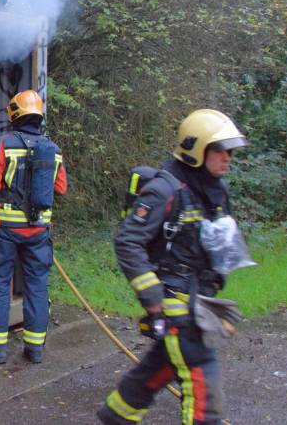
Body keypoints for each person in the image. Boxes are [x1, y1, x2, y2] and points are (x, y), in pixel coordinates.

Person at [97, 109, 248, 425]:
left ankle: (116, 416)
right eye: (221, 150)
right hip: (176, 307)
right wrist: (153, 299)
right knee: (203, 389)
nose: (228, 158)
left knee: (157, 370)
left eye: (231, 151)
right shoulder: (165, 190)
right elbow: (128, 242)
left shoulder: (213, 192)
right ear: (197, 150)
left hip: (201, 301)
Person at [0, 89, 68, 365]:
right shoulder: (54, 149)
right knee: (37, 286)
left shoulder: (3, 143)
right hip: (38, 232)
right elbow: (61, 188)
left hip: (6, 231)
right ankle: (35, 349)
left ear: (14, 114)